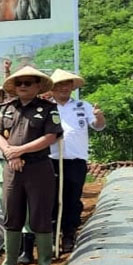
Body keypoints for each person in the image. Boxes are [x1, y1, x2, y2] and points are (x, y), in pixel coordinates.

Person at [0, 66, 62, 265]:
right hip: (12, 168)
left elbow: (50, 137)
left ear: (38, 86)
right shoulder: (7, 108)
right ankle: (10, 262)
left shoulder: (48, 109)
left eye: (28, 83)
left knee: (40, 213)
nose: (23, 86)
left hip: (38, 167)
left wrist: (19, 151)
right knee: (12, 212)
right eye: (19, 83)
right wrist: (10, 153)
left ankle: (45, 264)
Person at [48, 69, 106, 254]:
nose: (63, 88)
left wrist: (99, 116)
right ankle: (51, 235)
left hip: (75, 159)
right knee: (51, 197)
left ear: (72, 86)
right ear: (52, 88)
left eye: (67, 84)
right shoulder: (45, 106)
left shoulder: (83, 106)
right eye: (59, 85)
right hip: (50, 159)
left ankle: (69, 234)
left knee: (72, 198)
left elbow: (98, 126)